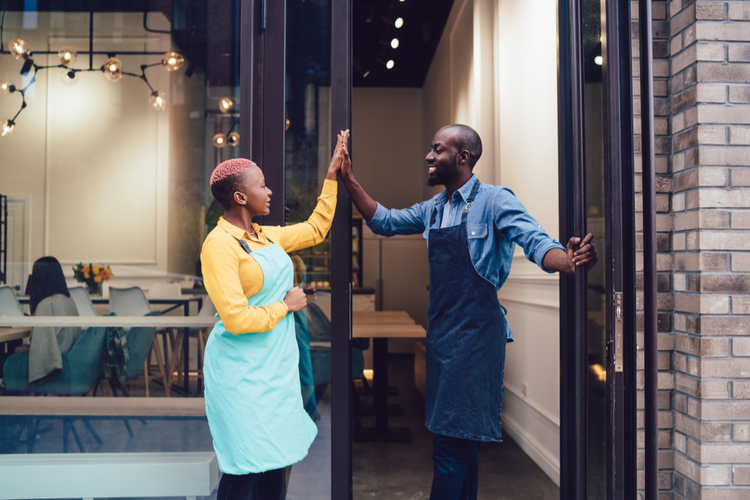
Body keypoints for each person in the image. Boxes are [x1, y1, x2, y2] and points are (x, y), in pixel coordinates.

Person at [338, 124, 598, 499]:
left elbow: (536, 241)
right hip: (443, 336)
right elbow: (386, 221)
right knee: (464, 442)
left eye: (437, 150)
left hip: (477, 339)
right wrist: (348, 179)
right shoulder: (434, 208)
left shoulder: (495, 201)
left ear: (462, 158)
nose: (429, 156)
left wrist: (567, 262)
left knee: (449, 445)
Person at [200, 130, 349, 500]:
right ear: (239, 197)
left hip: (274, 371)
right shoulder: (218, 246)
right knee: (244, 467)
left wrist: (332, 177)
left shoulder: (265, 237)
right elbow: (234, 318)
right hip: (239, 374)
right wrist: (286, 305)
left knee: (274, 464)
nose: (269, 192)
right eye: (262, 186)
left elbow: (316, 229)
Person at [23, 256, 82, 384]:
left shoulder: (47, 304)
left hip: (58, 363)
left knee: (6, 360)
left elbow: (43, 351)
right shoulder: (67, 299)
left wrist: (27, 349)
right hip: (72, 357)